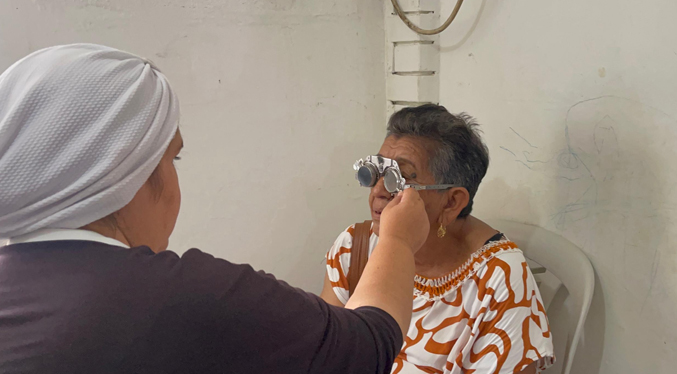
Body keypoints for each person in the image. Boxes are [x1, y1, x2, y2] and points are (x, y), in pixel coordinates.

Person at [0, 44, 431, 374]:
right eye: (173, 159)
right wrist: (397, 241)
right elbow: (364, 346)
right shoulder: (179, 297)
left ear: (454, 201)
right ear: (128, 171)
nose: (379, 191)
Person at [320, 105, 555, 374]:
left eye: (400, 179)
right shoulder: (356, 247)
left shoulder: (498, 279)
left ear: (451, 202)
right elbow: (323, 355)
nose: (378, 191)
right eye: (376, 172)